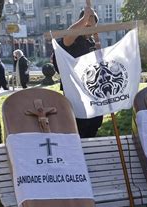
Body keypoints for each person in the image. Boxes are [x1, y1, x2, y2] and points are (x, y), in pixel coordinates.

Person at [52, 7, 103, 138]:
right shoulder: (73, 39)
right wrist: (85, 18)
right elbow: (67, 38)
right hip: (75, 92)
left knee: (94, 123)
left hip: (92, 91)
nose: (91, 29)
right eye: (88, 25)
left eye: (93, 26)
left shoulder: (92, 42)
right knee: (79, 126)